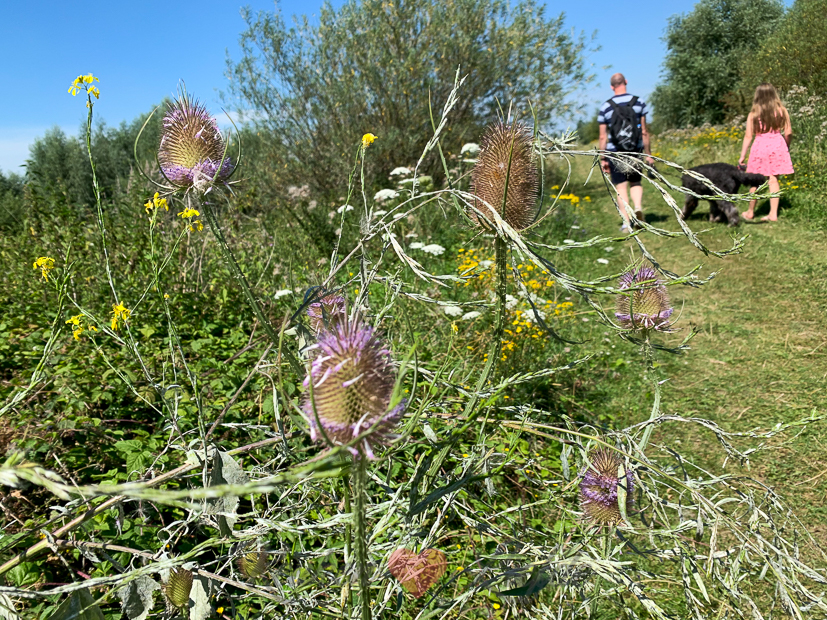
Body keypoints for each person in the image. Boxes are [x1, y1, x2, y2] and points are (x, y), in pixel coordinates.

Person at [598, 73, 655, 233]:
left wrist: (603, 158)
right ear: (626, 82)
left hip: (615, 152)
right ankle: (637, 207)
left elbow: (602, 136)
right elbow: (644, 131)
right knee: (635, 183)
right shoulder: (639, 102)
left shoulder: (606, 107)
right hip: (634, 150)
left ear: (612, 86)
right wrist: (648, 154)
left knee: (621, 187)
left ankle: (626, 223)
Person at [739, 83, 794, 222]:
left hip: (760, 147)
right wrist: (786, 146)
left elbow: (748, 136)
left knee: (756, 181)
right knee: (773, 180)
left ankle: (750, 212)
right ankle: (773, 214)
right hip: (777, 145)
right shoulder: (782, 111)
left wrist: (742, 156)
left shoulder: (753, 114)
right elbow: (788, 132)